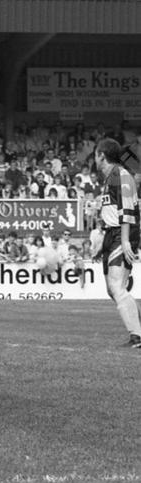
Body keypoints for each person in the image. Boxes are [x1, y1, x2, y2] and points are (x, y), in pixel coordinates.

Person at [94, 138, 141, 347]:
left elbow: (127, 210)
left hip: (122, 234)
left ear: (101, 156)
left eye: (96, 155)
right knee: (112, 289)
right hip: (111, 234)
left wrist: (125, 240)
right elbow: (112, 211)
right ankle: (138, 328)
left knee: (116, 286)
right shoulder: (110, 178)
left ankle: (137, 336)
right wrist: (102, 244)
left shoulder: (121, 175)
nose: (94, 159)